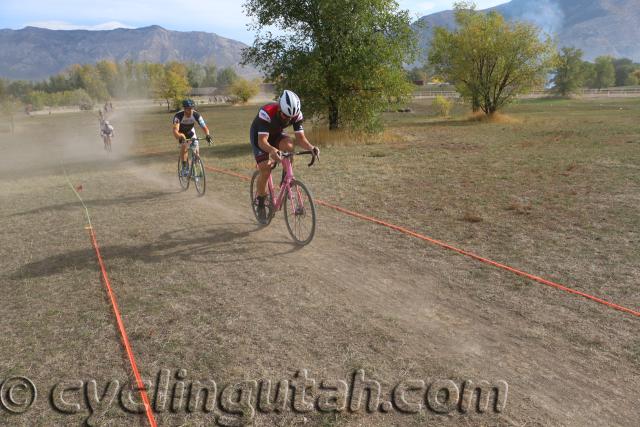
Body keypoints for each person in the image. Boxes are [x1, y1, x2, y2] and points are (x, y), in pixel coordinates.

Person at [250, 90, 319, 222]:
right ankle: (260, 201)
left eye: (290, 118)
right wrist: (272, 150)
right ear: (279, 108)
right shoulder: (267, 112)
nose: (287, 119)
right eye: (285, 116)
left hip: (276, 135)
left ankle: (286, 180)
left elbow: (300, 138)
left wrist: (311, 147)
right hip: (259, 137)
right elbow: (262, 141)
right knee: (265, 169)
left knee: (289, 146)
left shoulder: (296, 115)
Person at [172, 99, 213, 176]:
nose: (190, 110)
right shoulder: (178, 116)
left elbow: (204, 127)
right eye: (188, 108)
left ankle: (194, 166)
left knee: (196, 152)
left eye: (192, 108)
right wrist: (179, 136)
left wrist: (207, 135)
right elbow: (175, 131)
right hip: (181, 133)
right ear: (184, 109)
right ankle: (184, 168)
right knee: (185, 146)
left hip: (190, 132)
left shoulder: (196, 115)